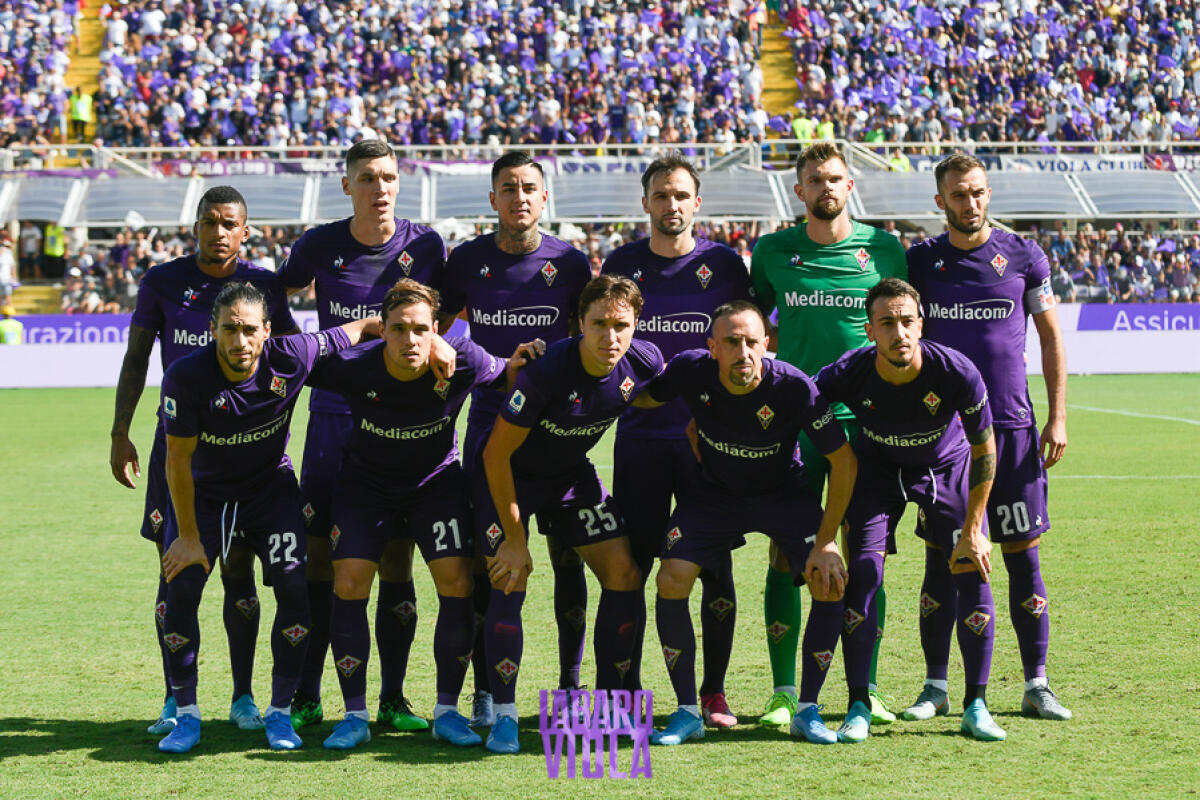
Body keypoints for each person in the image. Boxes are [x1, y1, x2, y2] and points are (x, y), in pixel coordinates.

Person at [307, 279, 544, 750]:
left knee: (457, 581)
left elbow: (508, 371)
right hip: (365, 486)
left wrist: (534, 354)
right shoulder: (353, 365)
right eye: (398, 329)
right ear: (383, 330)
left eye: (420, 330)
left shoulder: (464, 360)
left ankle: (447, 711)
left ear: (436, 329)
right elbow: (290, 365)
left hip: (435, 486)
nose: (410, 340)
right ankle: (354, 716)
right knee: (349, 583)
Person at [156, 282, 379, 753]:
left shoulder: (292, 355)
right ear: (212, 330)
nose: (239, 341)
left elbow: (357, 328)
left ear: (267, 331)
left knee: (295, 590)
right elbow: (177, 459)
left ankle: (279, 713)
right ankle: (186, 716)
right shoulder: (186, 376)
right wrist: (188, 536)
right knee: (181, 592)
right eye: (229, 329)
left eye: (249, 330)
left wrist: (430, 339)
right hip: (207, 497)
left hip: (269, 492)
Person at [277, 139, 452, 733]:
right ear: (346, 185)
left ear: (399, 183)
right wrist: (306, 351)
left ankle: (393, 699)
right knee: (321, 558)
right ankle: (307, 694)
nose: (379, 188)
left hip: (402, 419)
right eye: (367, 178)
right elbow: (276, 293)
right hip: (334, 415)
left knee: (397, 557)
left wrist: (434, 346)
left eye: (388, 177)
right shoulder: (319, 244)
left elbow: (443, 312)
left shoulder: (426, 245)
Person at [109, 186, 297, 737]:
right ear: (195, 227)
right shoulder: (162, 281)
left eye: (229, 223)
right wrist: (120, 432)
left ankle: (243, 696)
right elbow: (136, 356)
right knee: (176, 571)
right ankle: (175, 699)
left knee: (239, 572)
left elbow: (292, 357)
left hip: (246, 454)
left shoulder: (264, 287)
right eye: (209, 222)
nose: (219, 232)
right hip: (180, 449)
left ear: (245, 231)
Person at [636, 301, 856, 745]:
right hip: (715, 496)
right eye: (732, 342)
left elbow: (844, 462)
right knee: (670, 578)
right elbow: (640, 395)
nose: (743, 352)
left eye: (752, 342)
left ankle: (808, 711)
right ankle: (687, 712)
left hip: (783, 495)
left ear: (766, 344)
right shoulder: (690, 370)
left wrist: (826, 541)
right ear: (712, 347)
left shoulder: (795, 387)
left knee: (829, 579)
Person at [906, 153, 1071, 721]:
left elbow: (1050, 337)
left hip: (1013, 430)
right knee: (942, 561)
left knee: (1023, 558)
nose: (969, 203)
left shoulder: (1025, 255)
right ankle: (935, 686)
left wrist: (1057, 416)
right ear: (940, 201)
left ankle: (1036, 683)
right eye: (958, 194)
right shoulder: (921, 262)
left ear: (988, 194)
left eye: (977, 192)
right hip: (946, 438)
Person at [749, 142, 907, 727]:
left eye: (834, 178)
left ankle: (867, 688)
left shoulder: (884, 249)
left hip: (866, 425)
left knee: (867, 558)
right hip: (796, 424)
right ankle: (783, 692)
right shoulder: (771, 252)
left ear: (849, 185)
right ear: (800, 191)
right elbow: (758, 322)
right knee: (786, 554)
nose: (826, 188)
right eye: (815, 180)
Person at [475, 275, 661, 755]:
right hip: (510, 477)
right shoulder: (548, 371)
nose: (610, 336)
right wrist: (515, 539)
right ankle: (504, 716)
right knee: (510, 577)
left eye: (621, 325)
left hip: (570, 477)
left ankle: (611, 707)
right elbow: (496, 455)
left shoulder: (644, 363)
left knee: (624, 574)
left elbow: (658, 393)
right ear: (579, 323)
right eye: (598, 324)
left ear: (636, 325)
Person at [817, 278, 1006, 742]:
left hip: (944, 465)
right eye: (886, 323)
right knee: (863, 574)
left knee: (970, 566)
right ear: (869, 331)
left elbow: (985, 449)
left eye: (906, 321)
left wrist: (974, 528)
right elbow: (804, 407)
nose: (898, 332)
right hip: (877, 470)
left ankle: (976, 705)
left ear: (921, 324)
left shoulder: (955, 371)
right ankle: (859, 705)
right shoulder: (848, 372)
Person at [600, 153, 752, 724]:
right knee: (632, 569)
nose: (672, 204)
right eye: (661, 195)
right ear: (646, 203)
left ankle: (712, 692)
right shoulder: (621, 264)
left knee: (714, 567)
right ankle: (625, 695)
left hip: (708, 445)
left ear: (697, 202)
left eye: (681, 195)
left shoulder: (725, 265)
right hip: (640, 440)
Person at [441, 151, 592, 728]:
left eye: (529, 187)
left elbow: (587, 335)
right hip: (491, 427)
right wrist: (492, 365)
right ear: (493, 199)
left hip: (557, 430)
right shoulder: (466, 260)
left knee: (568, 555)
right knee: (492, 565)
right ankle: (486, 691)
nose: (519, 197)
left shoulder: (571, 263)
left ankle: (571, 687)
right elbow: (438, 332)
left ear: (544, 197)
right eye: (508, 188)